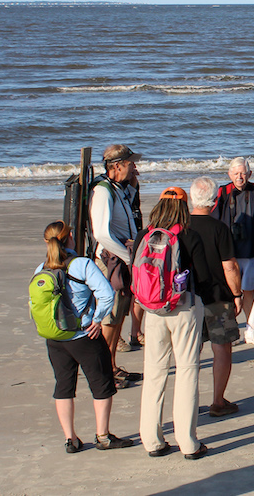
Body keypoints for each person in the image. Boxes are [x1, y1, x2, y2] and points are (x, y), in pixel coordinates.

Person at [37, 221, 132, 453]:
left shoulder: (41, 269)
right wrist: (97, 319)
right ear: (70, 238)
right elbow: (107, 294)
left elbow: (35, 304)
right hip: (84, 334)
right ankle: (103, 436)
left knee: (64, 387)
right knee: (102, 384)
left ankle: (71, 439)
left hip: (55, 337)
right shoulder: (82, 264)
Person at [137, 187, 213, 460]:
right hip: (185, 308)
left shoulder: (144, 236)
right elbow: (204, 277)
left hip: (152, 310)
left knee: (155, 373)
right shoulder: (189, 236)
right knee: (187, 372)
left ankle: (151, 439)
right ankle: (188, 441)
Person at [187, 176, 242, 418]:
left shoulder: (181, 227)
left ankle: (189, 399)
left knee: (190, 352)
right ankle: (218, 400)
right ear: (214, 200)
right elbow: (229, 266)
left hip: (189, 297)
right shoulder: (219, 228)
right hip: (218, 297)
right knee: (222, 349)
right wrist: (237, 294)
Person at [90, 144, 143, 388]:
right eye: (130, 163)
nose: (134, 167)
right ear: (117, 165)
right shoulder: (103, 190)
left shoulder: (117, 188)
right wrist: (127, 257)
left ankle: (111, 365)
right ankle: (106, 371)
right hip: (110, 262)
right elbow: (102, 232)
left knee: (119, 314)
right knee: (110, 319)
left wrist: (132, 184)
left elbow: (127, 212)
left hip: (119, 260)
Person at [211, 157, 254, 346]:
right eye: (236, 173)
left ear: (249, 174)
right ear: (229, 174)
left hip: (253, 252)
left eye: (243, 173)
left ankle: (251, 330)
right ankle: (230, 332)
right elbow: (214, 221)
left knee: (249, 292)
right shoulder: (222, 192)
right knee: (230, 292)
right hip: (229, 253)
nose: (240, 177)